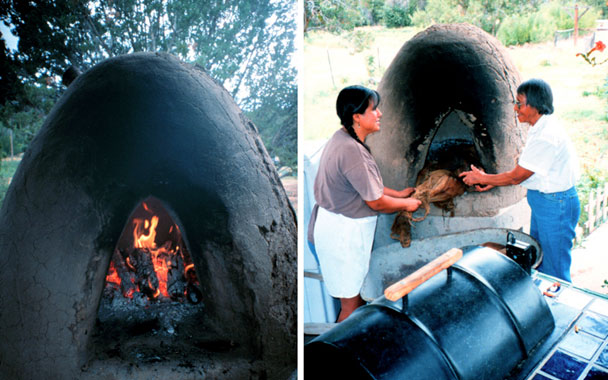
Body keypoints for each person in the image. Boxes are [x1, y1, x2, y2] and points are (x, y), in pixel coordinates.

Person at [308, 85, 422, 322]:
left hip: (333, 229)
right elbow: (376, 202)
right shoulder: (352, 151)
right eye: (374, 109)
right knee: (350, 307)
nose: (379, 114)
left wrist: (400, 194)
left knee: (354, 301)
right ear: (357, 117)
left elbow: (366, 185)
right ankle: (332, 354)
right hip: (341, 237)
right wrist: (407, 205)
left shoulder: (342, 138)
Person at [460, 78, 580, 282]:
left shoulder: (546, 136)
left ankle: (558, 308)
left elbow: (517, 177)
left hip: (556, 205)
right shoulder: (540, 127)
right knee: (541, 258)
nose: (515, 108)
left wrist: (481, 177)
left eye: (520, 103)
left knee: (556, 270)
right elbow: (527, 172)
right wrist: (492, 181)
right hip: (546, 203)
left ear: (536, 105)